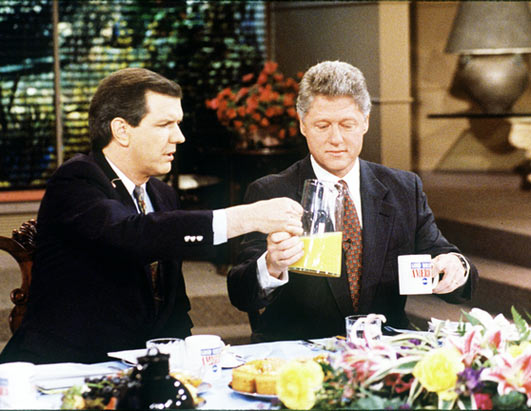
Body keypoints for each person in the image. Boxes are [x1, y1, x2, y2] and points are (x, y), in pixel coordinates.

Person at [0, 68, 302, 364]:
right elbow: (132, 233)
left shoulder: (162, 194)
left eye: (178, 124)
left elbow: (174, 309)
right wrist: (247, 218)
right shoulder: (75, 180)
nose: (179, 137)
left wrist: (184, 366)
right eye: (165, 124)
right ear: (122, 130)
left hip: (141, 370)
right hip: (63, 370)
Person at [227, 61, 479, 343]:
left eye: (347, 125)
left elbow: (448, 264)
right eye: (322, 126)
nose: (336, 139)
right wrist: (271, 265)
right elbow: (240, 293)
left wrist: (456, 267)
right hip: (299, 351)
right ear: (303, 125)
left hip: (383, 348)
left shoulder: (403, 189)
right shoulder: (271, 191)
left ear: (365, 123)